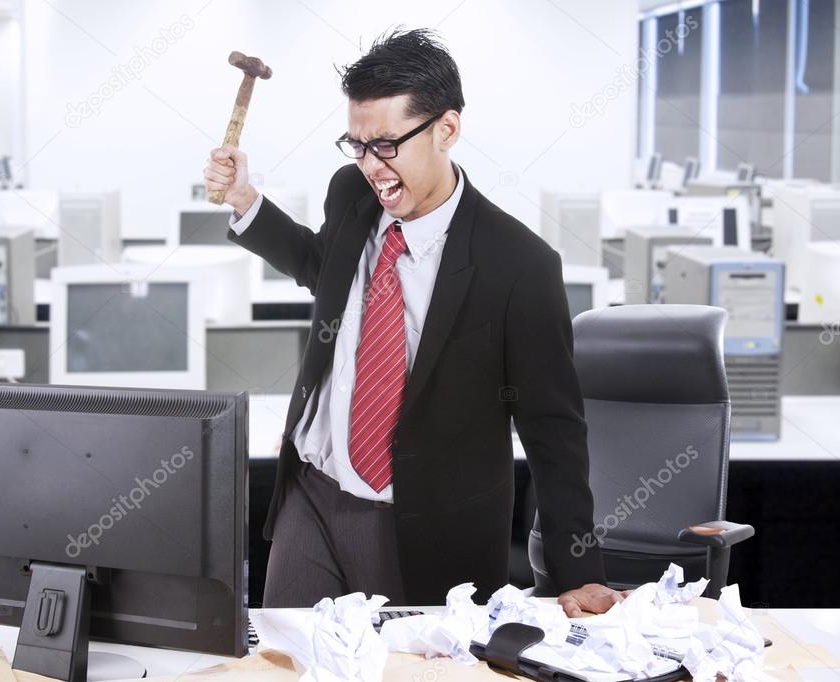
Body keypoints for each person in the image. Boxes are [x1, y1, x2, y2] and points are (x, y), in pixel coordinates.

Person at [204, 28, 623, 617]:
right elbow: (324, 268)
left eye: (386, 145)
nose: (372, 167)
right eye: (356, 144)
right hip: (314, 495)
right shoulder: (351, 191)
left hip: (422, 527)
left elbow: (553, 429)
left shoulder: (519, 266)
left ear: (446, 129)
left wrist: (578, 570)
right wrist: (246, 199)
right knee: (287, 662)